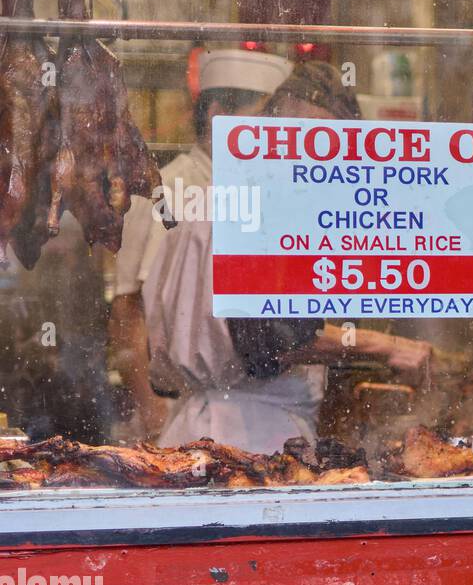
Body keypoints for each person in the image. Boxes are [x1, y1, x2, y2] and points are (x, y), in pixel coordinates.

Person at [142, 60, 433, 455]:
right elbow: (269, 337)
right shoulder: (256, 206)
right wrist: (387, 347)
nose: (317, 158)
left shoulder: (217, 198)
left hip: (197, 433)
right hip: (251, 441)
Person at [111, 48, 293, 442]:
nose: (278, 133)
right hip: (188, 409)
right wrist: (153, 410)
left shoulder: (270, 192)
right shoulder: (169, 190)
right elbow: (129, 310)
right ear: (216, 115)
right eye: (265, 118)